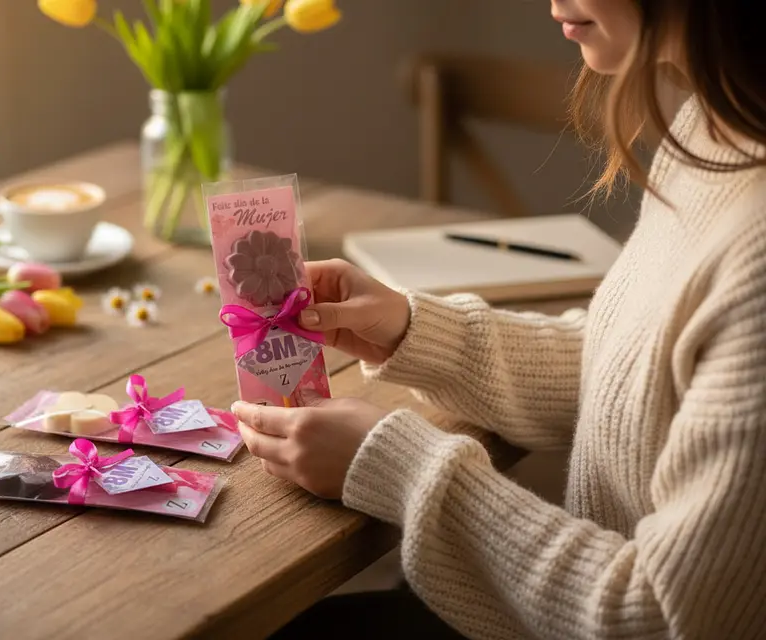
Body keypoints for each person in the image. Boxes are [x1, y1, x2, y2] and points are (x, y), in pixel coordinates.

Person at [232, 1, 766, 638]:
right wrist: (414, 331)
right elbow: (641, 375)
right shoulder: (718, 125)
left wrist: (395, 466)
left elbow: (660, 620)